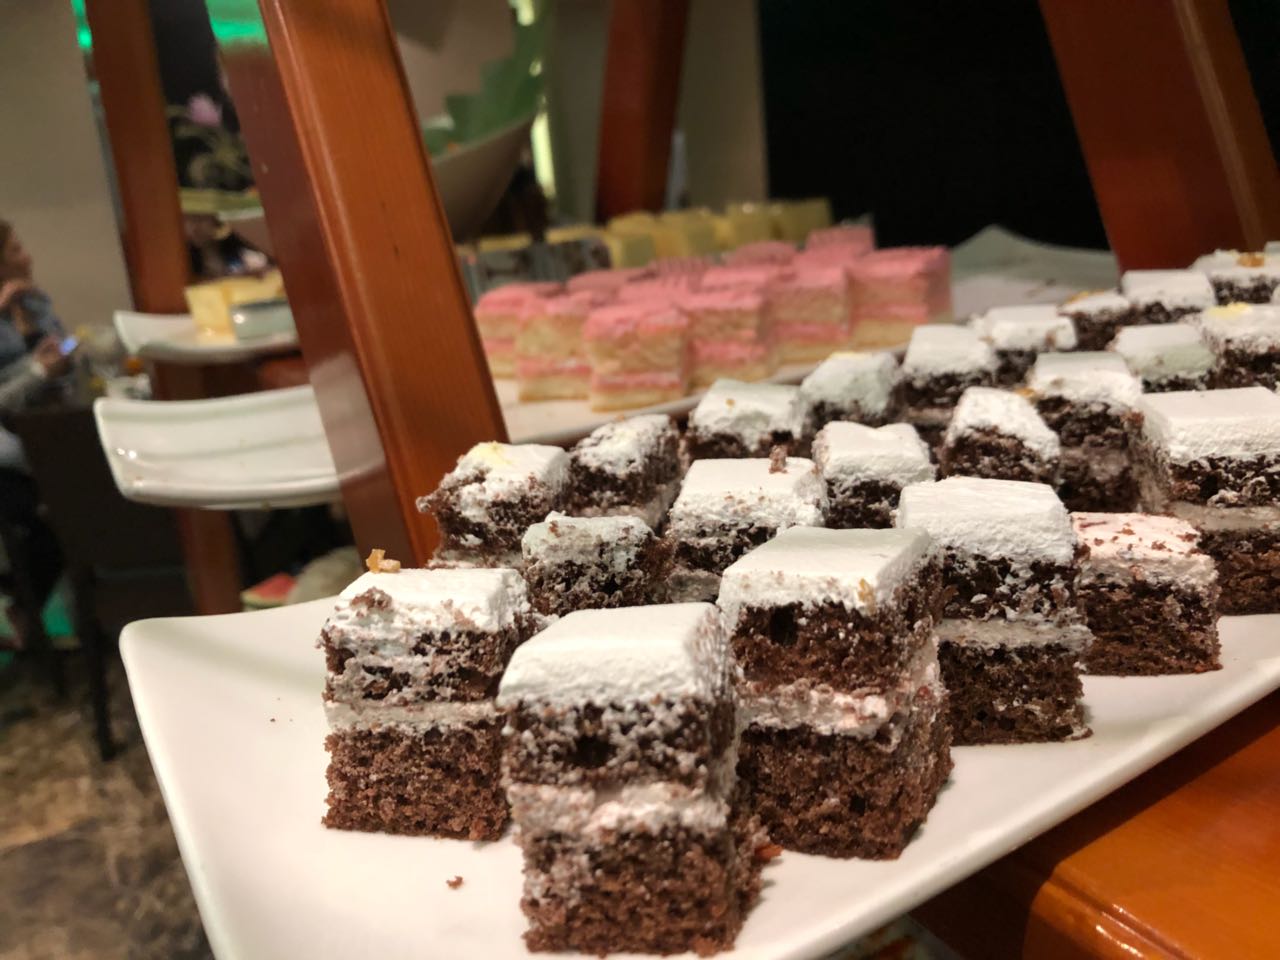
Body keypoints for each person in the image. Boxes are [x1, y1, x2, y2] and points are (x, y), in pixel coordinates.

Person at [0, 219, 68, 636]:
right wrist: (38, 372)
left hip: (39, 434)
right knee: (54, 517)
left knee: (75, 504)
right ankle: (25, 612)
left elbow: (61, 353)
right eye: (15, 250)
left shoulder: (31, 302)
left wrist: (41, 334)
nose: (26, 257)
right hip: (8, 457)